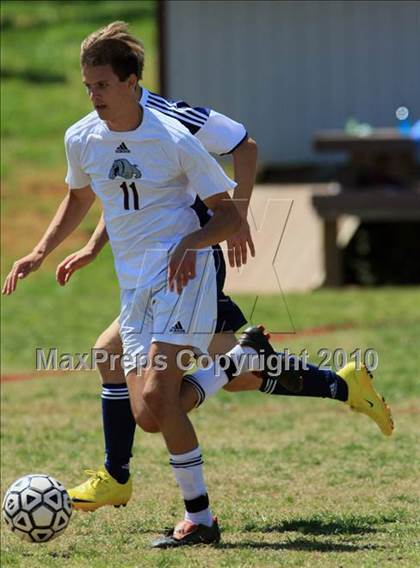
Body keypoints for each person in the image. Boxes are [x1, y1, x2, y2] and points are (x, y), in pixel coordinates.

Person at [2, 23, 394, 534]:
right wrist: (61, 249)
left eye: (101, 84)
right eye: (87, 86)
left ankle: (177, 505)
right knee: (147, 372)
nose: (93, 95)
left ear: (132, 81)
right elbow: (110, 194)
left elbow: (242, 152)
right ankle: (324, 381)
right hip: (142, 278)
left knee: (159, 401)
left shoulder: (176, 130)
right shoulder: (84, 136)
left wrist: (227, 223)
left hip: (189, 266)